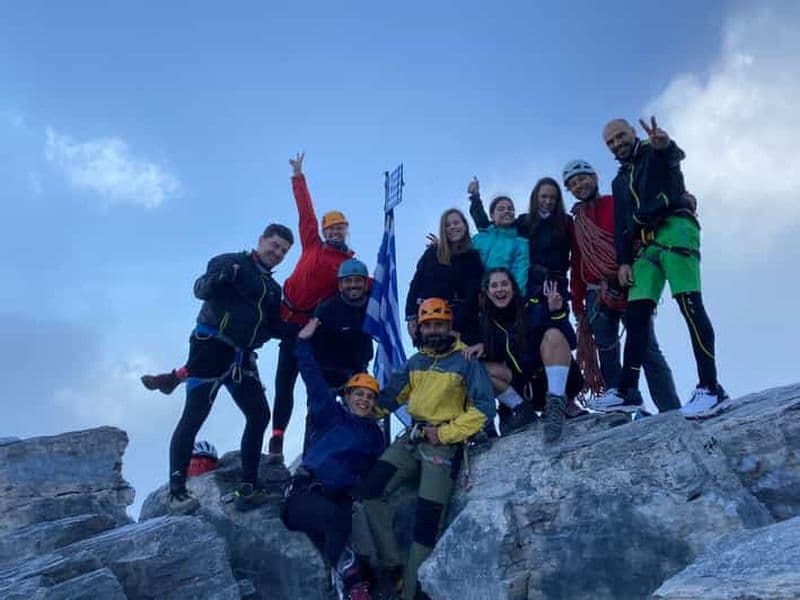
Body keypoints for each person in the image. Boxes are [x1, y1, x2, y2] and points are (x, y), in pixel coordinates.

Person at [359, 298, 495, 600]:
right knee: (370, 490)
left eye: (440, 324)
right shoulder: (416, 361)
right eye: (429, 325)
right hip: (412, 439)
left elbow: (485, 409)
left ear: (450, 326)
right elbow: (390, 398)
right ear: (420, 328)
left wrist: (445, 433)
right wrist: (360, 410)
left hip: (443, 446)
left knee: (427, 522)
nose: (434, 330)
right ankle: (393, 565)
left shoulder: (466, 361)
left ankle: (410, 594)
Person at [602, 116, 729, 417]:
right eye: (610, 142)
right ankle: (628, 391)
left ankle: (711, 387)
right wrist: (623, 262)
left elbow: (672, 162)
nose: (617, 144)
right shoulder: (619, 181)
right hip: (646, 246)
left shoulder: (654, 152)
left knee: (690, 304)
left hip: (676, 229)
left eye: (621, 136)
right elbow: (622, 224)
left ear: (633, 133)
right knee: (636, 316)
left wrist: (665, 145)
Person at [167, 223, 294, 514]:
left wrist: (302, 330)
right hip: (210, 346)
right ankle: (176, 492)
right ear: (260, 240)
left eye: (284, 251)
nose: (277, 253)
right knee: (195, 414)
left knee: (259, 414)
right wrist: (220, 279)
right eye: (274, 245)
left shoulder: (273, 290)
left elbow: (274, 326)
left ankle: (249, 486)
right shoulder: (230, 262)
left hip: (242, 356)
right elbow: (200, 288)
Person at [563, 159, 680, 413]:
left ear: (594, 177)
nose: (578, 185)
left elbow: (639, 236)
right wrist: (578, 304)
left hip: (630, 281)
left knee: (646, 348)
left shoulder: (618, 203)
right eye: (572, 184)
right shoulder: (577, 222)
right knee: (607, 350)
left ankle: (671, 409)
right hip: (596, 293)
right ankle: (622, 407)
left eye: (582, 178)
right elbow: (578, 262)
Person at [281, 318, 384, 600]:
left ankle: (358, 582)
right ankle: (343, 579)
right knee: (337, 520)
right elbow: (312, 378)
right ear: (347, 395)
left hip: (339, 497)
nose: (364, 400)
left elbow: (374, 471)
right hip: (305, 494)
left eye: (369, 396)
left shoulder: (375, 436)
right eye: (358, 394)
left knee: (344, 519)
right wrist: (302, 343)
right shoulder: (330, 414)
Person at [270, 152, 357, 461]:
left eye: (340, 228)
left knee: (307, 383)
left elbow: (359, 285)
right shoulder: (311, 243)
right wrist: (298, 175)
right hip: (282, 316)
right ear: (324, 230)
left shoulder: (348, 263)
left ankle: (315, 440)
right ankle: (276, 437)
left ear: (345, 231)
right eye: (331, 228)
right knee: (283, 383)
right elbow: (305, 211)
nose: (335, 232)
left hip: (309, 327)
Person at [465, 268, 584, 442]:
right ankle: (523, 411)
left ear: (513, 287)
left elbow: (570, 342)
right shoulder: (487, 324)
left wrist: (556, 313)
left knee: (553, 334)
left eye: (505, 284)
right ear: (488, 292)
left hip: (551, 381)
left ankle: (556, 407)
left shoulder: (532, 308)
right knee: (479, 370)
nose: (500, 289)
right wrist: (482, 348)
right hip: (526, 390)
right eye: (494, 285)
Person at [303, 258, 374, 454]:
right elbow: (309, 341)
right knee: (317, 418)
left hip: (358, 370)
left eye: (357, 280)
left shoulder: (374, 306)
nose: (353, 285)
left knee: (362, 416)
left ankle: (360, 462)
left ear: (365, 282)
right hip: (326, 372)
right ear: (340, 284)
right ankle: (308, 465)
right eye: (347, 281)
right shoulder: (327, 309)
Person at [405, 208, 484, 347]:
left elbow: (472, 295)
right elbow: (415, 285)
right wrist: (411, 317)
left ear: (464, 226)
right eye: (448, 225)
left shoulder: (473, 258)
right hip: (429, 321)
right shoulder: (431, 254)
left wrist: (453, 325)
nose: (453, 227)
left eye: (456, 223)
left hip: (461, 325)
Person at [467, 178, 529, 292]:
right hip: (474, 297)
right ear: (492, 215)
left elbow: (520, 276)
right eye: (501, 209)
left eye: (510, 209)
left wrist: (516, 301)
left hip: (502, 298)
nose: (507, 211)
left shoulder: (521, 243)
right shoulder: (478, 239)